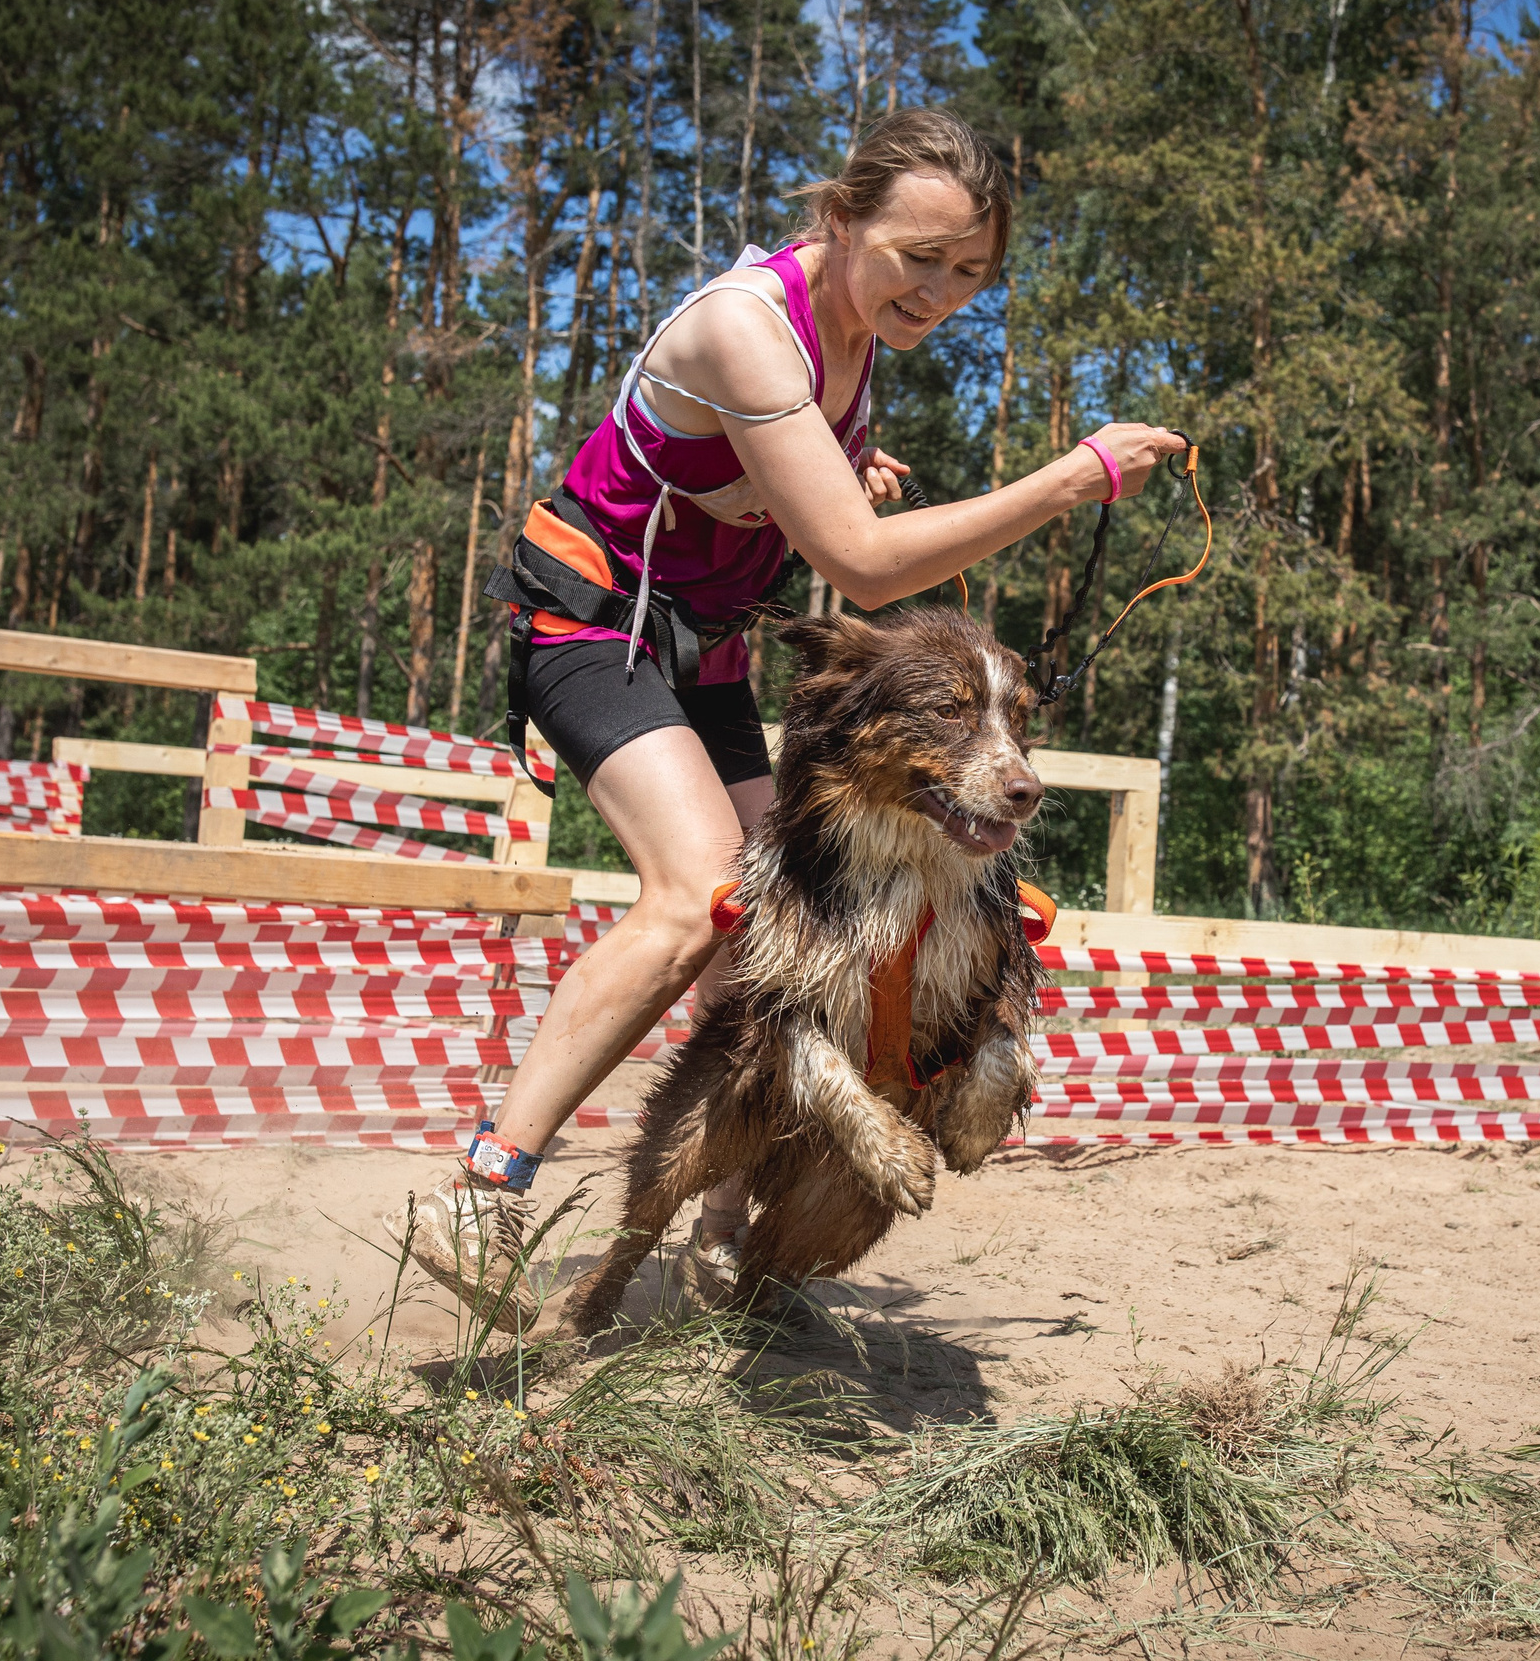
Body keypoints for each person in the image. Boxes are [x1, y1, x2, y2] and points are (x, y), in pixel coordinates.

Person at [396, 107, 1188, 1323]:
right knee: (701, 899)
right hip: (595, 625)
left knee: (777, 928)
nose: (938, 290)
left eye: (969, 272)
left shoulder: (856, 336)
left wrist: (828, 468)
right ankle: (481, 1183)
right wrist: (1067, 479)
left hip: (703, 654)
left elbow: (784, 496)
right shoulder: (745, 329)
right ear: (841, 218)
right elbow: (865, 570)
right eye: (916, 255)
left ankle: (717, 1225)